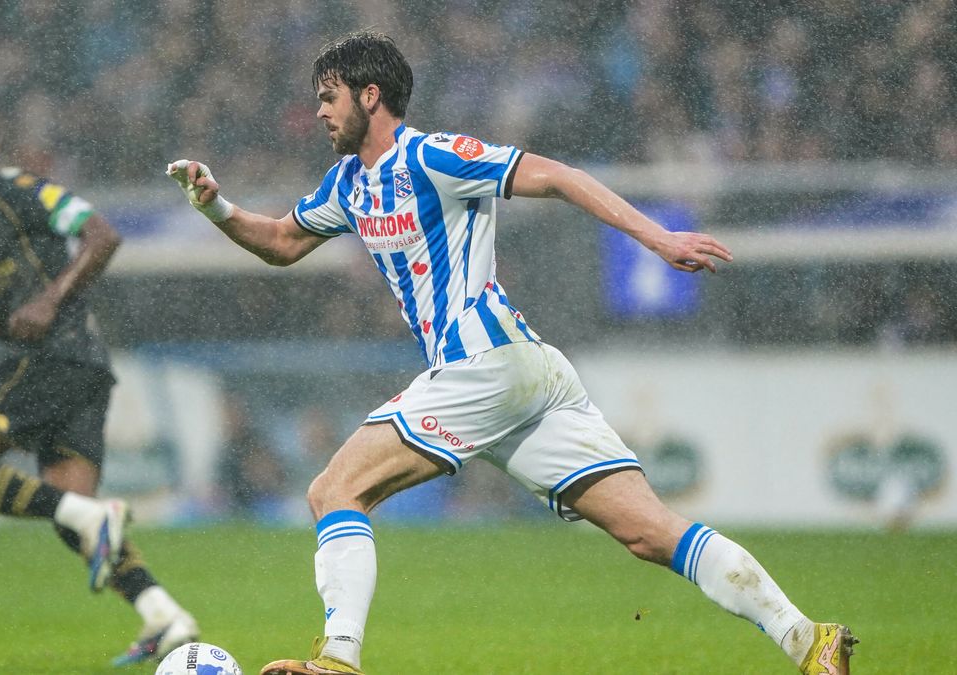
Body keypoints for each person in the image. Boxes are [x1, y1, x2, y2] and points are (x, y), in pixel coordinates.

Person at [166, 32, 857, 675]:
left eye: (328, 96)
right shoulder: (349, 184)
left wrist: (657, 237)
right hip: (524, 376)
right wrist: (218, 208)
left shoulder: (431, 155)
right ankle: (809, 639)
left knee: (333, 489)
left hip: (486, 363)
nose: (318, 111)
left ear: (369, 95)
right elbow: (284, 241)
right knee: (650, 533)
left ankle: (339, 659)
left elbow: (554, 175)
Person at [0, 108, 197, 667]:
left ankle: (93, 517)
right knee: (70, 512)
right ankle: (164, 613)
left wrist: (52, 299)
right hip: (80, 366)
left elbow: (103, 236)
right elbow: (11, 320)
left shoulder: (22, 190)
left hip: (55, 359)